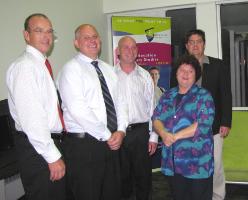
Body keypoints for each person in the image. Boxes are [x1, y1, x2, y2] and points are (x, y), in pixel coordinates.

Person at [57, 24, 128, 200]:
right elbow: (78, 110)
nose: (92, 40)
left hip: (111, 143)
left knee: (112, 193)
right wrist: (107, 135)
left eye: (94, 36)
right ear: (76, 43)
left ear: (100, 40)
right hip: (84, 147)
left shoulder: (109, 69)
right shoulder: (70, 70)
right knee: (88, 194)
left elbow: (121, 103)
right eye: (86, 37)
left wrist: (121, 130)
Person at [6, 13, 66, 200]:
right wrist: (53, 157)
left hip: (46, 145)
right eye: (39, 31)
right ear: (26, 35)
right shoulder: (25, 67)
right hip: (38, 149)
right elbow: (32, 119)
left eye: (49, 31)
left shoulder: (40, 64)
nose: (46, 36)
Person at [171, 29, 232, 200]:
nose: (195, 45)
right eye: (191, 42)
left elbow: (226, 95)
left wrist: (226, 121)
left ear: (204, 44)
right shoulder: (178, 66)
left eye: (199, 41)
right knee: (192, 165)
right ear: (186, 45)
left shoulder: (218, 65)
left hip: (212, 127)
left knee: (215, 164)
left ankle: (217, 196)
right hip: (185, 129)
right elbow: (173, 95)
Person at [153, 54, 215, 200]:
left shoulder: (204, 96)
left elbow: (203, 124)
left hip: (197, 162)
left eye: (190, 71)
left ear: (196, 75)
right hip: (173, 162)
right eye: (182, 70)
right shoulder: (167, 95)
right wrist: (163, 133)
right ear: (176, 73)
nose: (186, 74)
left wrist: (174, 136)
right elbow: (156, 118)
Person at [115, 36, 158, 200]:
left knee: (143, 179)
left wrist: (153, 136)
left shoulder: (145, 76)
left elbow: (152, 108)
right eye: (125, 47)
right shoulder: (110, 75)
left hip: (141, 133)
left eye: (133, 47)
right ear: (118, 51)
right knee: (121, 179)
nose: (130, 50)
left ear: (137, 51)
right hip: (118, 133)